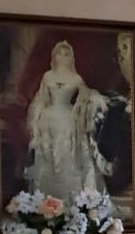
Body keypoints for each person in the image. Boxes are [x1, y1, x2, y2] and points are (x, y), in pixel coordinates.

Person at [24, 40, 111, 203]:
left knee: (67, 155)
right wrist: (37, 118)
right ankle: (47, 198)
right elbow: (41, 98)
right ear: (54, 56)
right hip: (48, 121)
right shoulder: (47, 76)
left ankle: (70, 198)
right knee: (48, 158)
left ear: (71, 57)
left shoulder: (76, 78)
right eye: (59, 53)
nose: (62, 57)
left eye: (66, 54)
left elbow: (86, 96)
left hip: (68, 119)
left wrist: (95, 102)